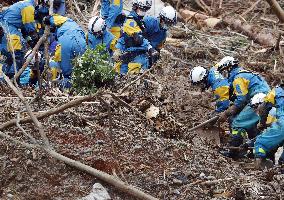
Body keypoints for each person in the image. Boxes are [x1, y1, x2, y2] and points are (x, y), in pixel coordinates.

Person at [216, 56, 271, 158]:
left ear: (229, 68)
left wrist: (226, 113)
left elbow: (241, 100)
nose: (224, 76)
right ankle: (253, 152)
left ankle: (233, 153)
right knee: (251, 124)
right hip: (265, 100)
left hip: (259, 100)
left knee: (238, 123)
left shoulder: (238, 78)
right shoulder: (244, 73)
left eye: (223, 72)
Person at [43, 14, 86, 89]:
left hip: (66, 40)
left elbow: (50, 18)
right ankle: (79, 83)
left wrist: (46, 19)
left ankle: (65, 84)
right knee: (82, 66)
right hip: (80, 41)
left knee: (65, 68)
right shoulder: (74, 25)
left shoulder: (63, 21)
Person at [0, 0, 39, 78]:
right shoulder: (28, 6)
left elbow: (25, 30)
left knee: (10, 58)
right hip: (9, 31)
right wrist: (35, 37)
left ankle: (5, 80)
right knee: (17, 56)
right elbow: (29, 24)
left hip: (5, 30)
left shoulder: (21, 4)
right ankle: (12, 79)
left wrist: (30, 41)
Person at [252, 85, 284, 169]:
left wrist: (261, 123)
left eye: (255, 107)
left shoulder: (276, 91)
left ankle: (259, 165)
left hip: (282, 125)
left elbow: (274, 135)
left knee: (260, 143)